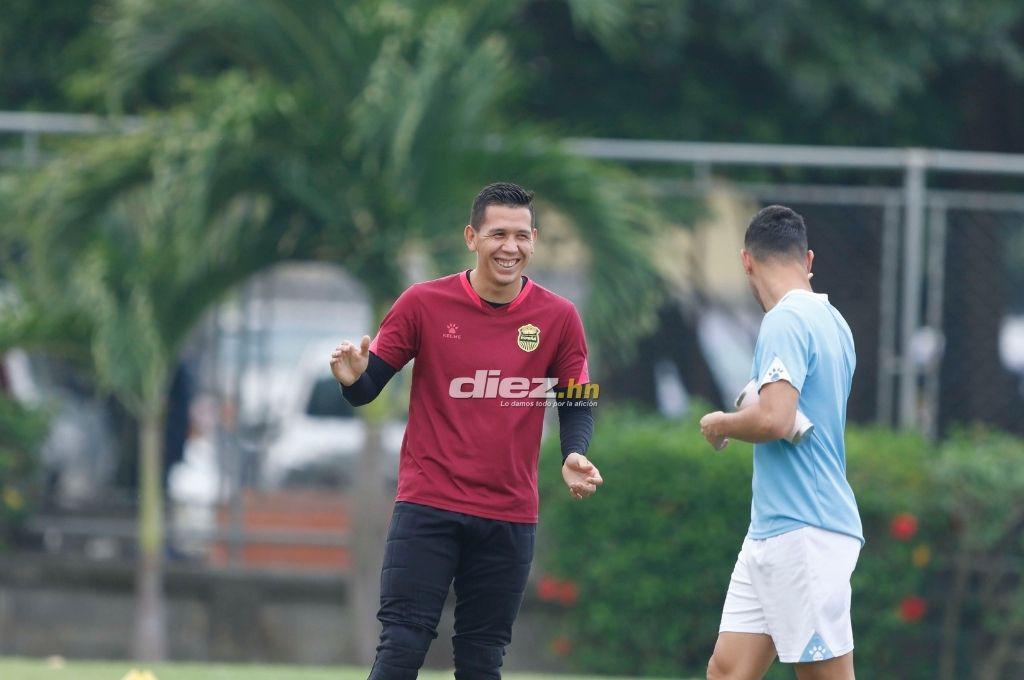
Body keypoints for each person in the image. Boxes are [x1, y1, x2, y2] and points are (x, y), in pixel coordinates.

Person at [330, 182, 603, 680]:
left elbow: (577, 400)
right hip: (428, 504)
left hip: (509, 513)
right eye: (498, 234)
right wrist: (352, 381)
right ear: (471, 237)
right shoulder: (422, 303)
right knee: (402, 646)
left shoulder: (560, 317)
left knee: (482, 661)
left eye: (521, 236)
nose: (510, 247)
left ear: (535, 239)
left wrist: (574, 454)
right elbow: (370, 384)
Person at [699, 205, 863, 680]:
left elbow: (775, 419)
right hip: (771, 530)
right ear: (808, 259)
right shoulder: (834, 322)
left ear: (746, 261)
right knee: (727, 670)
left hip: (805, 530)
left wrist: (720, 423)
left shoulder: (784, 320)